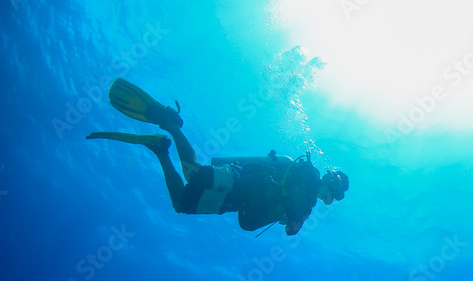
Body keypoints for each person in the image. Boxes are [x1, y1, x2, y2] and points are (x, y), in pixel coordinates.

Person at [87, 79, 348, 236]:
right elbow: (292, 229)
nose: (329, 199)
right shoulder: (308, 179)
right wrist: (293, 217)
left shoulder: (306, 203)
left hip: (235, 202)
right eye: (333, 194)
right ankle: (170, 123)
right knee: (194, 174)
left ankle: (160, 150)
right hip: (239, 179)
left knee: (181, 203)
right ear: (330, 185)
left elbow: (290, 228)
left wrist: (289, 217)